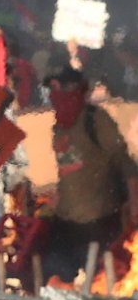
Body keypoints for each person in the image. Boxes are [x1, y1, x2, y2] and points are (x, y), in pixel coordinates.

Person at [42, 65, 138, 282]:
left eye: (59, 87)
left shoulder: (96, 120)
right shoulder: (58, 126)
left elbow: (126, 164)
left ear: (75, 88)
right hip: (65, 223)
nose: (54, 94)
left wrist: (134, 204)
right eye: (52, 89)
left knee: (97, 286)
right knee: (56, 283)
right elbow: (66, 168)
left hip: (99, 225)